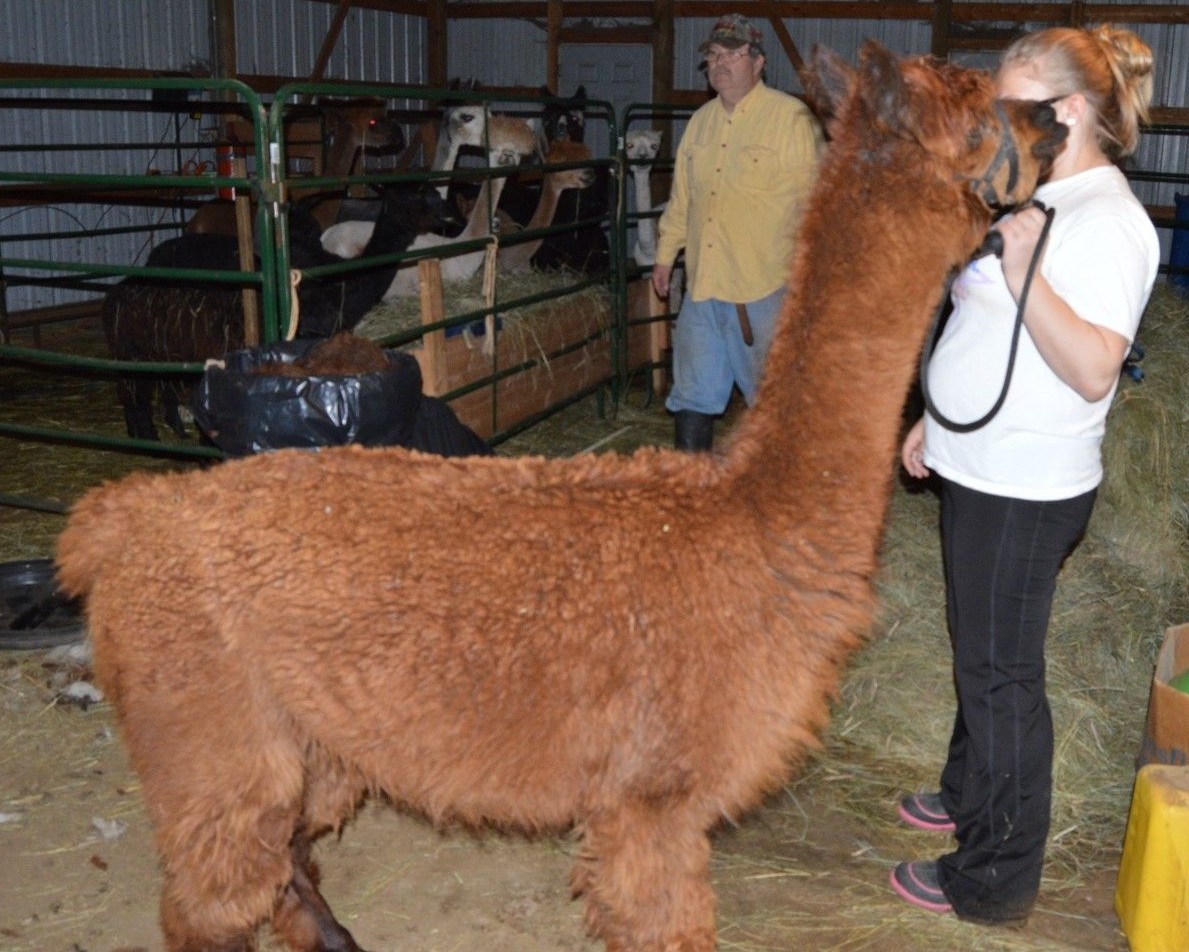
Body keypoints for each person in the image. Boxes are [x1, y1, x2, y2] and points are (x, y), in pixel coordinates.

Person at [892, 24, 1159, 924]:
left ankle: (993, 878)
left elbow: (1091, 367)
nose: (993, 123)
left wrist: (1021, 266)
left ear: (1069, 111)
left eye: (1010, 107)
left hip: (1025, 486)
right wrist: (939, 416)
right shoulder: (1042, 198)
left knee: (1000, 676)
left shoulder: (1108, 220)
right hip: (983, 463)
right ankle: (969, 794)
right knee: (981, 652)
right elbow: (990, 329)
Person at [652, 14, 823, 451]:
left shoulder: (791, 119)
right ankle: (692, 499)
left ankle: (776, 505)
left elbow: (817, 204)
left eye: (733, 53)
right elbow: (682, 199)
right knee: (692, 395)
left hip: (764, 288)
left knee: (773, 404)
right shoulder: (700, 123)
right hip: (704, 288)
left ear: (759, 62)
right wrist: (665, 254)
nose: (720, 62)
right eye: (713, 54)